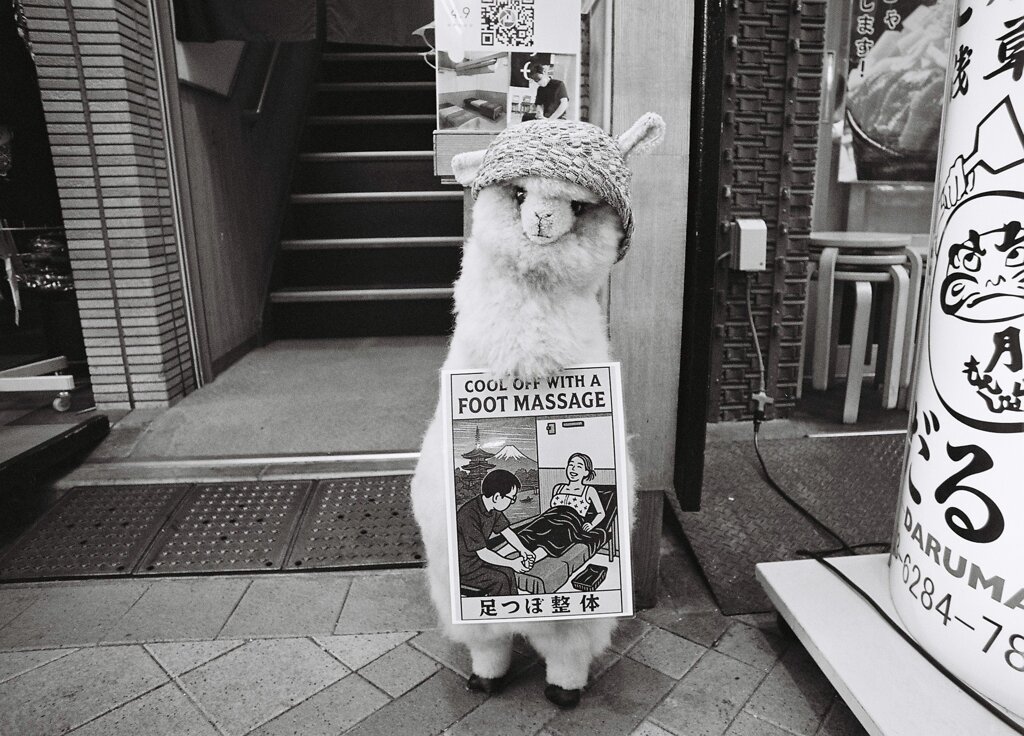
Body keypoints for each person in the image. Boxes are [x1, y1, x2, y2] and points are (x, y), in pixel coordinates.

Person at [456, 468, 536, 596]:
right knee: (500, 580)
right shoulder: (468, 514)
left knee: (508, 572)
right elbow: (483, 553)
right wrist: (513, 563)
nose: (512, 502)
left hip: (477, 562)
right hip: (463, 568)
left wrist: (523, 550)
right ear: (497, 497)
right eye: (512, 498)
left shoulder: (493, 510)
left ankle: (513, 605)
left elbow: (507, 532)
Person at [549, 452, 605, 532]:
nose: (573, 468)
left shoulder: (589, 491)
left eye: (579, 466)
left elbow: (601, 513)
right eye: (571, 465)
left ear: (586, 472)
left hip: (572, 525)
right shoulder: (558, 488)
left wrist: (591, 524)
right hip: (552, 522)